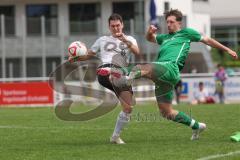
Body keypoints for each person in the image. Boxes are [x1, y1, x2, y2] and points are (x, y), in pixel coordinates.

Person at [111, 9, 238, 140]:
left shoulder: (186, 33)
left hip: (171, 68)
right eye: (167, 22)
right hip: (162, 76)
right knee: (166, 112)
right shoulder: (165, 37)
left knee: (144, 67)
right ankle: (196, 126)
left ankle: (126, 77)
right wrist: (149, 33)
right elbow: (150, 38)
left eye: (171, 22)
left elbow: (208, 40)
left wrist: (227, 49)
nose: (168, 24)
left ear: (179, 23)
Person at [69, 13, 140, 144]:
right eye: (113, 26)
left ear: (122, 25)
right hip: (106, 72)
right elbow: (89, 54)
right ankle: (117, 76)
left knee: (128, 108)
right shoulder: (102, 40)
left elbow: (137, 52)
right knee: (112, 73)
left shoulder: (129, 39)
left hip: (121, 73)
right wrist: (76, 58)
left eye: (118, 25)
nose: (116, 28)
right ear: (109, 27)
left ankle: (115, 137)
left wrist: (124, 39)